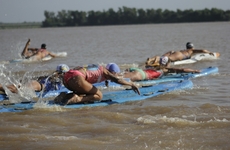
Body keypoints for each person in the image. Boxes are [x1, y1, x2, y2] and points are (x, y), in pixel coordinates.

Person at [54, 63, 140, 105]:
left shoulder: (98, 68)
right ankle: (76, 99)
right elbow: (117, 80)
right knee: (99, 95)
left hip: (67, 78)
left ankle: (64, 96)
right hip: (77, 77)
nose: (118, 75)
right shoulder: (105, 71)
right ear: (113, 72)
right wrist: (131, 84)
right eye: (117, 74)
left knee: (85, 92)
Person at [145, 42, 215, 67]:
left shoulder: (184, 49)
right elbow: (202, 50)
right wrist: (209, 52)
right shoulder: (192, 50)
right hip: (181, 55)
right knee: (169, 59)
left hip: (176, 52)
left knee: (163, 57)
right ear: (192, 47)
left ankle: (152, 59)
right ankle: (157, 63)